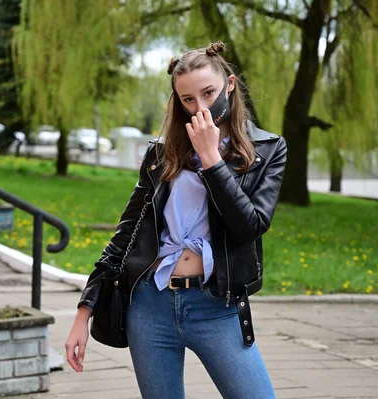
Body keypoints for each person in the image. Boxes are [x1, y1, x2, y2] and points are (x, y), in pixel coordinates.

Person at [65, 41, 287, 398]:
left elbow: (250, 226)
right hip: (150, 308)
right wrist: (83, 310)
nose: (200, 107)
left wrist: (212, 159)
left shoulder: (267, 150)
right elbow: (126, 234)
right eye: (187, 100)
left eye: (209, 93)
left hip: (216, 307)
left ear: (229, 84)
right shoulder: (161, 153)